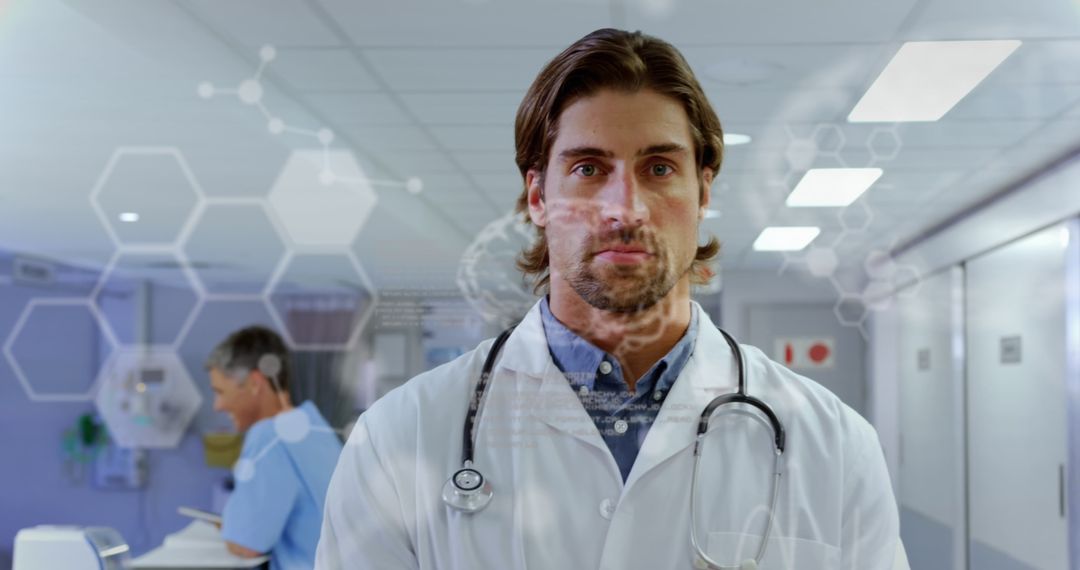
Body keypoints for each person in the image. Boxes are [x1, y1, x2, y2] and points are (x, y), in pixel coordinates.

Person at [316, 28, 907, 569]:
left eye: (658, 167)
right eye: (589, 169)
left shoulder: (834, 445)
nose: (626, 207)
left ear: (703, 191)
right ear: (539, 197)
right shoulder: (400, 437)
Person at [206, 325, 343, 570]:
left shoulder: (269, 436)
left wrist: (231, 526)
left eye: (220, 392)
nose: (218, 405)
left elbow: (246, 545)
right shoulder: (313, 425)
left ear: (255, 383)